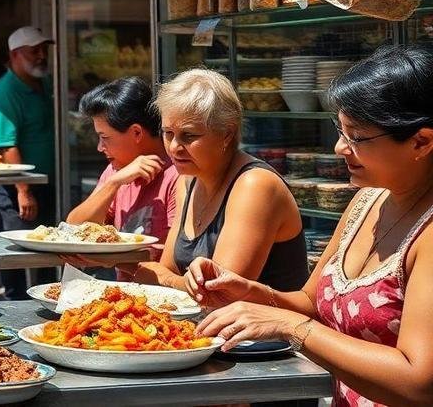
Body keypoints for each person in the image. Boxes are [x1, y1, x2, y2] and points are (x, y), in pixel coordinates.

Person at [190, 46, 433, 407]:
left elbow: (418, 382)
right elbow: (311, 302)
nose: (339, 147)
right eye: (340, 130)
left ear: (421, 141)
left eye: (357, 136)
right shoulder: (367, 201)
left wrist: (293, 328)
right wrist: (248, 292)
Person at [128, 68, 306, 294]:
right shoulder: (187, 181)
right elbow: (168, 268)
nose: (174, 147)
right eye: (168, 133)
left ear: (227, 133)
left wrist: (159, 276)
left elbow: (220, 293)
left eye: (189, 136)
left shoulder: (255, 185)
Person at [66, 77, 179, 266]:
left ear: (136, 132)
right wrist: (113, 183)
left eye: (105, 138)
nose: (100, 147)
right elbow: (74, 229)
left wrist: (112, 260)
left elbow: (177, 257)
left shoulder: (177, 175)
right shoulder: (116, 172)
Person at [0, 26, 56, 297]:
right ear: (15, 54)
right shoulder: (3, 93)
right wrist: (23, 190)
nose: (41, 56)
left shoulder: (46, 83)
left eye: (43, 50)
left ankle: (47, 296)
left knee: (48, 250)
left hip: (47, 181)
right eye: (34, 51)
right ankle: (15, 302)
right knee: (17, 249)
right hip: (19, 188)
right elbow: (5, 146)